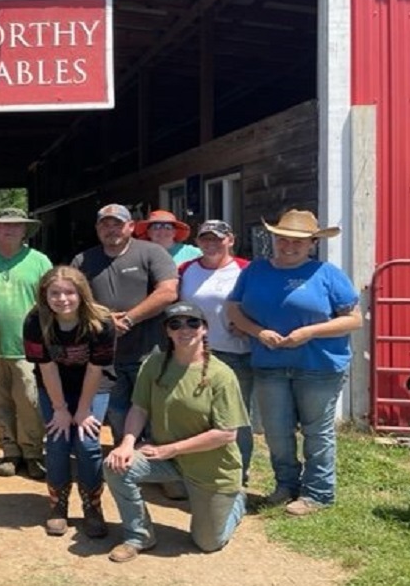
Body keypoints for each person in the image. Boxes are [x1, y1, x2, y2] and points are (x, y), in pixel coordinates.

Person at [226, 209, 362, 516]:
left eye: (298, 242)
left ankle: (318, 493)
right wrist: (259, 332)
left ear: (312, 243)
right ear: (274, 239)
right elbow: (233, 309)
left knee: (317, 431)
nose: (289, 246)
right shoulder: (255, 271)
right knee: (276, 431)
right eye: (283, 240)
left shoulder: (327, 273)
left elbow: (354, 320)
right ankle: (286, 485)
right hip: (269, 362)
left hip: (319, 365)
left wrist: (309, 332)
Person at [103, 302, 248, 563]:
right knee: (116, 466)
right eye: (175, 324)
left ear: (204, 329)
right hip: (167, 460)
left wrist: (171, 449)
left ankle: (236, 502)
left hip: (210, 470)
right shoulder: (154, 364)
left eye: (193, 323)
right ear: (167, 332)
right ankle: (139, 535)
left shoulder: (221, 375)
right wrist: (126, 443)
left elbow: (226, 434)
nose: (184, 329)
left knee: (207, 543)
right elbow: (139, 408)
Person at [70, 203, 178, 444]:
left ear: (130, 226)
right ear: (97, 229)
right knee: (117, 414)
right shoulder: (83, 260)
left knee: (153, 415)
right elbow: (71, 299)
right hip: (107, 357)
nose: (111, 230)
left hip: (149, 354)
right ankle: (125, 465)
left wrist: (129, 318)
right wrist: (106, 321)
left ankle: (155, 470)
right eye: (105, 225)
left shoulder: (151, 252)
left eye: (117, 224)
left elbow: (168, 292)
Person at [24, 266, 117, 539]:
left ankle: (93, 506)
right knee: (57, 441)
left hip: (93, 386)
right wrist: (61, 409)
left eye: (69, 292)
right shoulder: (35, 321)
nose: (62, 299)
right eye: (55, 293)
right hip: (54, 388)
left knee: (87, 444)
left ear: (81, 293)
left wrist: (84, 409)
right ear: (45, 295)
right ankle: (57, 505)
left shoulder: (101, 321)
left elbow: (95, 368)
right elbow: (47, 367)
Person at [0, 208, 51, 479]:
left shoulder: (39, 261)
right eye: (4, 226)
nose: (10, 230)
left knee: (30, 400)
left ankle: (33, 452)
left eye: (17, 226)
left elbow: (53, 301)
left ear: (25, 230)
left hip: (27, 346)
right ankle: (9, 450)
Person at [178, 220, 253, 484]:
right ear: (197, 242)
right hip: (194, 354)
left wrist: (252, 325)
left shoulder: (246, 269)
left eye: (217, 238)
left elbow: (264, 302)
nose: (211, 244)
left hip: (235, 354)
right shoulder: (185, 270)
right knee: (196, 415)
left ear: (230, 240)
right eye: (205, 238)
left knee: (235, 420)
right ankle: (199, 475)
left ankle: (237, 476)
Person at [134, 209, 202, 264]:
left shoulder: (194, 253)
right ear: (148, 232)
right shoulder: (139, 255)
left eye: (168, 227)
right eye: (156, 227)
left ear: (175, 232)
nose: (162, 231)